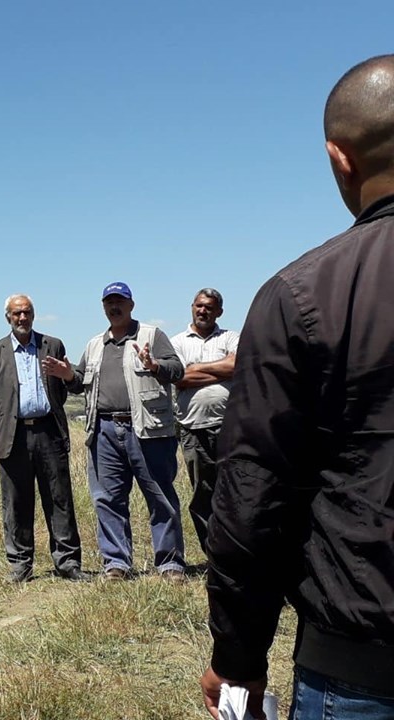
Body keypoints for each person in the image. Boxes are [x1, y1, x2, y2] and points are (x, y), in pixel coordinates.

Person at [201, 54, 394, 720]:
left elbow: (255, 498)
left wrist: (237, 660)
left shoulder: (300, 296)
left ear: (341, 160)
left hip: (362, 667)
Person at [44, 282, 185, 581]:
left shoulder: (152, 335)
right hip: (104, 430)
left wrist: (154, 363)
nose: (114, 307)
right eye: (109, 302)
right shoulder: (95, 344)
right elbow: (79, 382)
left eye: (120, 301)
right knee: (107, 499)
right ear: (103, 307)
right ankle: (117, 564)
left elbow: (178, 370)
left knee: (160, 496)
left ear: (131, 305)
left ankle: (170, 564)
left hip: (147, 430)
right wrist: (68, 375)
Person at [0, 294, 83, 583]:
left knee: (60, 499)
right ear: (8, 318)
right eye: (17, 314)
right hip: (13, 435)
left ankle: (67, 562)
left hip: (49, 432)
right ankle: (20, 565)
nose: (22, 318)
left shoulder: (53, 345)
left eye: (27, 312)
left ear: (34, 315)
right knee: (16, 502)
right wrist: (11, 420)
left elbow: (65, 388)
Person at [169, 289, 238, 556]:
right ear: (191, 307)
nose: (203, 311)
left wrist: (197, 368)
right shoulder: (176, 342)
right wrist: (219, 370)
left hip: (229, 427)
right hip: (193, 428)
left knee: (232, 492)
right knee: (202, 494)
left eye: (209, 307)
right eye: (199, 306)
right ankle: (213, 555)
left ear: (219, 311)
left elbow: (237, 365)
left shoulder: (231, 337)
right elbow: (179, 378)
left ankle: (235, 551)